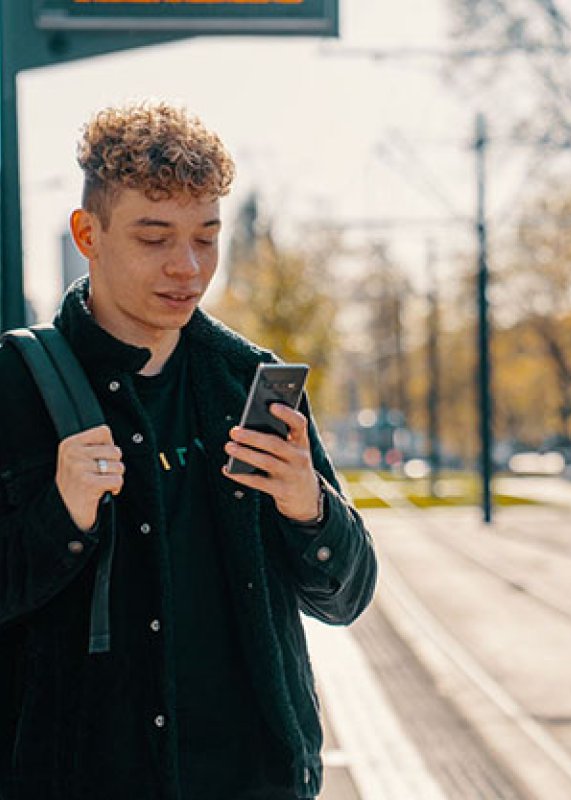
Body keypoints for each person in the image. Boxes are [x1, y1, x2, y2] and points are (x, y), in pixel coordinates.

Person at [0, 102, 377, 800]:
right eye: (154, 237)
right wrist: (62, 518)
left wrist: (309, 507)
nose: (188, 266)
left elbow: (348, 595)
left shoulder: (250, 383)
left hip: (254, 781)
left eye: (207, 237)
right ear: (89, 233)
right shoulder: (16, 389)